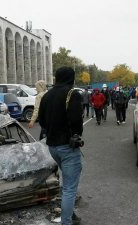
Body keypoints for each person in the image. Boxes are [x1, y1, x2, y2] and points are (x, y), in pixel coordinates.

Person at [38, 66, 83, 225]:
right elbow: (77, 121)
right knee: (70, 188)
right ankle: (66, 221)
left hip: (53, 147)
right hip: (68, 147)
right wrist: (75, 134)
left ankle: (70, 214)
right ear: (71, 78)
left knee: (67, 183)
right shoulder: (72, 94)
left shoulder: (47, 95)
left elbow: (42, 121)